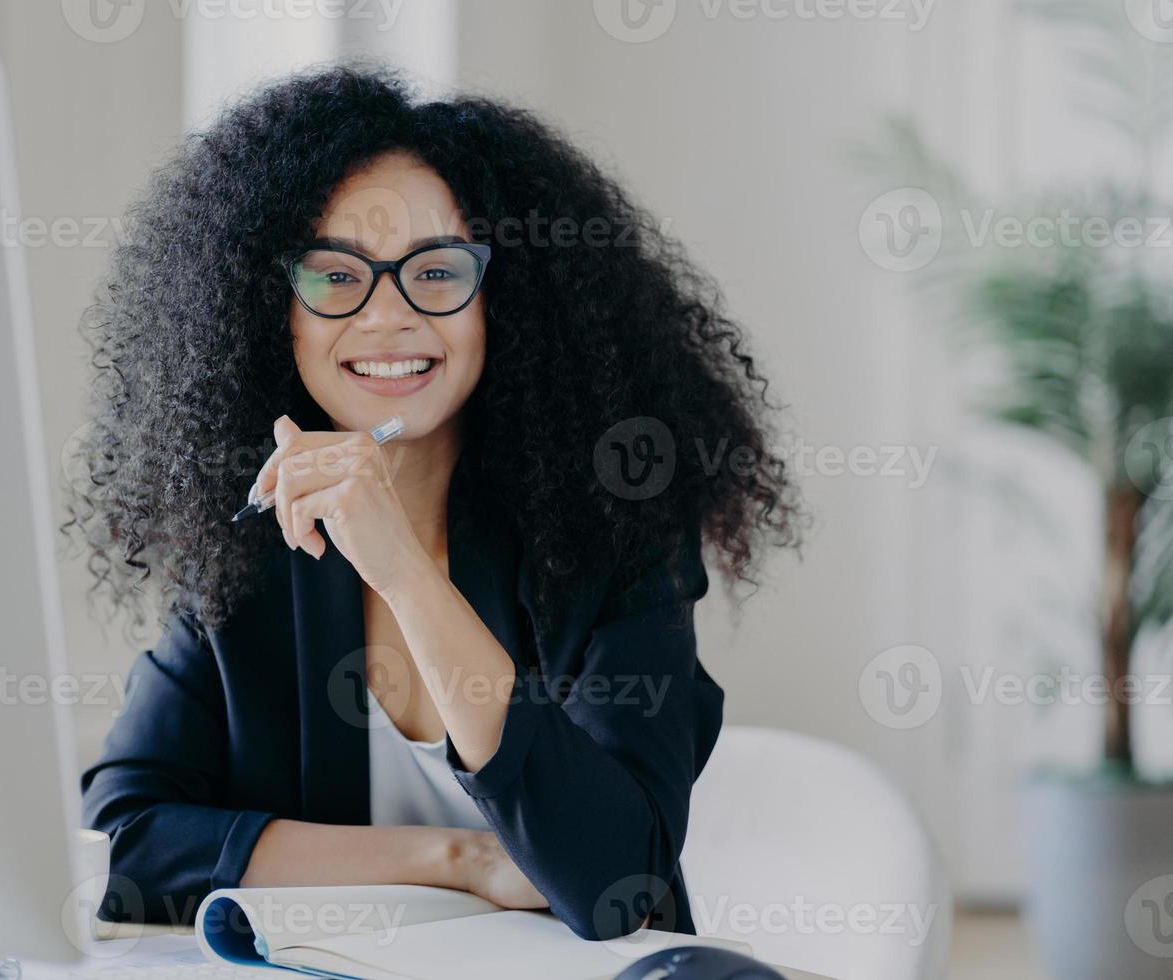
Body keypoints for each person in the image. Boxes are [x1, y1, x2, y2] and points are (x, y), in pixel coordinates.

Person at [71, 64, 798, 941]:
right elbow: (122, 843)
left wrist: (406, 574)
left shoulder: (613, 530)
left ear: (506, 302)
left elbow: (618, 877)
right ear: (276, 312)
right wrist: (456, 860)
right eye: (337, 276)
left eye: (438, 272)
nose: (387, 318)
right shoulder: (249, 544)